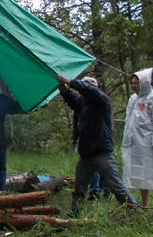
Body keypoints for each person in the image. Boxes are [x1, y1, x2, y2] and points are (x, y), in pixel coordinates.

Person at [58, 73, 138, 217]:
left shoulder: (102, 101)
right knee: (80, 188)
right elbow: (73, 99)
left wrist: (70, 82)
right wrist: (64, 90)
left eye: (85, 88)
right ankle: (74, 214)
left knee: (115, 185)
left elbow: (88, 91)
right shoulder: (84, 102)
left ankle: (134, 209)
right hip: (86, 154)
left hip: (102, 153)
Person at [121, 68, 153, 208]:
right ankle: (145, 205)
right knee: (142, 174)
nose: (134, 85)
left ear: (145, 82)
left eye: (137, 83)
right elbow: (129, 120)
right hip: (137, 144)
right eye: (132, 83)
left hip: (152, 144)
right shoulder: (133, 99)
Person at [71, 106, 112, 200]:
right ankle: (95, 192)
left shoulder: (97, 103)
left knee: (104, 167)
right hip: (89, 142)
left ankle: (104, 191)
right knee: (96, 167)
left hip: (101, 141)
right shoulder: (78, 104)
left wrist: (75, 137)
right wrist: (74, 137)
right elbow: (76, 124)